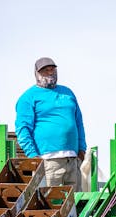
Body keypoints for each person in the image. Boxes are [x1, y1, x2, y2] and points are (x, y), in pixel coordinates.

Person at [15, 57, 87, 192]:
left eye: (52, 69)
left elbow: (78, 122)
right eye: (45, 71)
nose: (50, 73)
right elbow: (23, 129)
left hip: (72, 159)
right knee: (49, 204)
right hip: (47, 161)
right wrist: (33, 156)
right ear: (36, 74)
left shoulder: (68, 92)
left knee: (74, 205)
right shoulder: (28, 97)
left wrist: (82, 149)